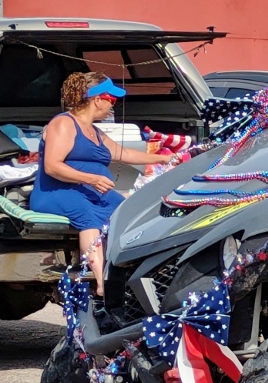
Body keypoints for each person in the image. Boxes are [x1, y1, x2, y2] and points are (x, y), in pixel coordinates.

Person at [30, 72, 177, 295]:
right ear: (97, 99)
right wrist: (92, 178)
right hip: (56, 192)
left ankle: (132, 273)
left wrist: (165, 158)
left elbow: (123, 153)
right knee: (86, 214)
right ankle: (103, 283)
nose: (112, 106)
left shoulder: (95, 132)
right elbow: (52, 166)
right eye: (112, 100)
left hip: (89, 191)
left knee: (127, 210)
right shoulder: (63, 123)